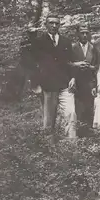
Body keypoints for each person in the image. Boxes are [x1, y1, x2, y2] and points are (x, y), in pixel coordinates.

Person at [34, 14, 77, 144]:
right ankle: (49, 145)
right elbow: (32, 63)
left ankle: (72, 143)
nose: (54, 25)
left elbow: (71, 61)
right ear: (46, 25)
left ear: (60, 25)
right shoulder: (39, 42)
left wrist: (73, 77)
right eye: (51, 23)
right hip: (48, 85)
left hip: (65, 83)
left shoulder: (66, 41)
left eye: (56, 23)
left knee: (70, 113)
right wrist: (36, 84)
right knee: (49, 118)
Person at [71, 23, 99, 131]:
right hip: (77, 83)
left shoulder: (94, 48)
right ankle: (80, 131)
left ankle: (91, 132)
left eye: (86, 33)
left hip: (90, 82)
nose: (84, 35)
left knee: (90, 108)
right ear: (77, 34)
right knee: (79, 109)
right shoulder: (73, 48)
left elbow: (98, 66)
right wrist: (76, 65)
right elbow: (68, 65)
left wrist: (91, 67)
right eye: (82, 33)